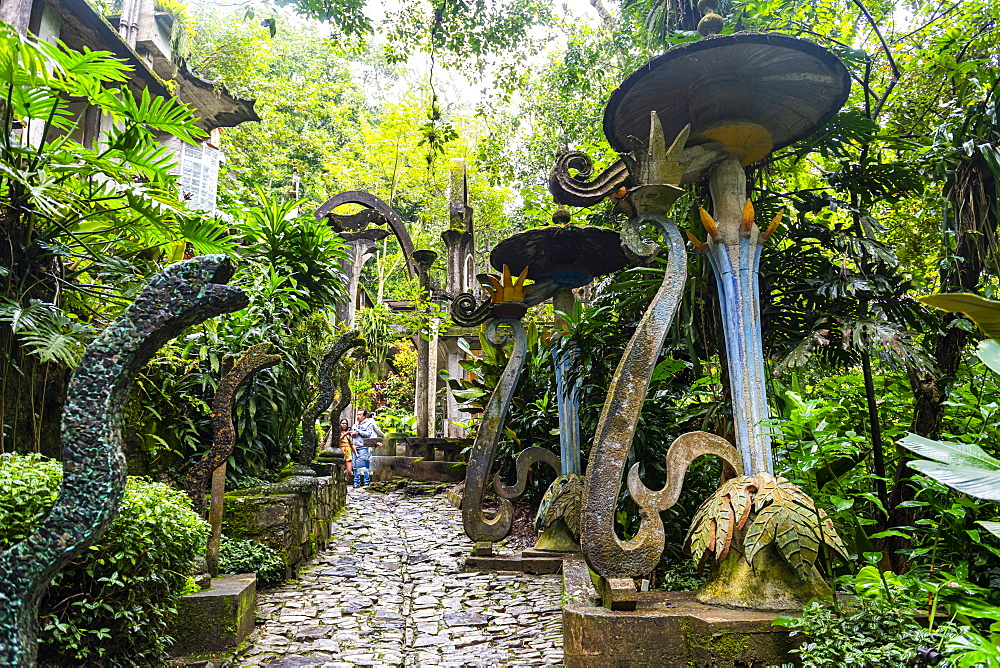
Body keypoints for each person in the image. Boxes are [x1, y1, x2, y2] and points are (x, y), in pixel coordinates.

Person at [350, 409, 383, 487]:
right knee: (355, 466)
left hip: (363, 447)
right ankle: (356, 483)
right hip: (355, 446)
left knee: (364, 465)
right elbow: (352, 433)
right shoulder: (355, 424)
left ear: (364, 416)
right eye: (357, 414)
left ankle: (366, 482)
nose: (358, 416)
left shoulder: (368, 424)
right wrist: (353, 433)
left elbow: (368, 434)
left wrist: (358, 431)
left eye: (360, 414)